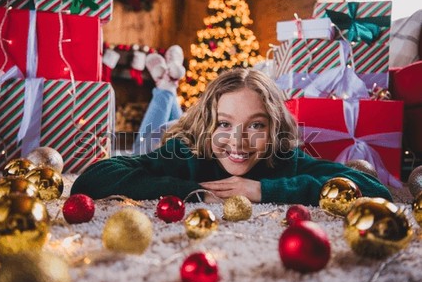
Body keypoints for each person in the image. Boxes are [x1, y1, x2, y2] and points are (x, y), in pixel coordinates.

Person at [71, 47, 392, 205]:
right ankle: (166, 89)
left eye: (255, 126)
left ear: (275, 130)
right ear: (209, 124)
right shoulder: (184, 151)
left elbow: (378, 192)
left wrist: (265, 190)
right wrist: (192, 191)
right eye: (225, 123)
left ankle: (168, 88)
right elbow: (90, 180)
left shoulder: (283, 159)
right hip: (177, 130)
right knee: (146, 143)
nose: (238, 141)